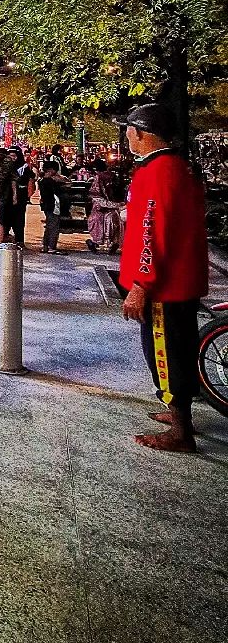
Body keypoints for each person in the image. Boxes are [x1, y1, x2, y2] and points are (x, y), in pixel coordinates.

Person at [119, 103, 208, 453]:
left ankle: (180, 430)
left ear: (140, 133)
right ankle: (177, 413)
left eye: (128, 129)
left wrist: (141, 284)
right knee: (179, 348)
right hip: (180, 280)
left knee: (165, 353)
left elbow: (150, 233)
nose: (127, 135)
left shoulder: (158, 172)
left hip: (164, 287)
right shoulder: (178, 168)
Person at [86, 158, 126, 253]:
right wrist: (117, 205)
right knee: (101, 218)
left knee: (109, 218)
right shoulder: (110, 177)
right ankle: (107, 242)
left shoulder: (100, 178)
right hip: (105, 207)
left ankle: (100, 242)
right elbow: (100, 200)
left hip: (111, 207)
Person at [3, 147, 36, 247]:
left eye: (14, 156)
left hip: (20, 196)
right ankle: (4, 238)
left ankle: (19, 240)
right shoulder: (4, 166)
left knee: (19, 218)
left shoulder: (24, 166)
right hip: (6, 196)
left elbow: (29, 179)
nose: (11, 158)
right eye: (9, 156)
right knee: (5, 217)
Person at [39, 159, 65, 254]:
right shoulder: (51, 182)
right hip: (53, 205)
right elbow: (61, 189)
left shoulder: (42, 180)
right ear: (51, 170)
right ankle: (51, 246)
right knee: (54, 226)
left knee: (49, 225)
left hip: (46, 205)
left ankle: (45, 246)